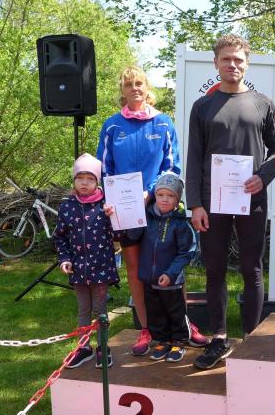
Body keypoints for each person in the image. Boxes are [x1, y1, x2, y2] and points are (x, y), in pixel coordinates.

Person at [186, 34, 275, 370]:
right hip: (211, 202)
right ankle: (218, 339)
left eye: (238, 59)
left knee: (251, 268)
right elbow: (194, 158)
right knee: (214, 270)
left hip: (251, 199)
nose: (232, 64)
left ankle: (251, 340)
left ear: (247, 63)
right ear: (216, 62)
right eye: (226, 59)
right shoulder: (202, 107)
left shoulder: (263, 104)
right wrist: (195, 204)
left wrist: (264, 176)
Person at [96, 66, 208, 356]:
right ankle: (147, 328)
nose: (134, 88)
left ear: (147, 88)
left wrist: (151, 192)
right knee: (136, 270)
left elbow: (172, 166)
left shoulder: (163, 123)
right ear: (122, 91)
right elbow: (104, 169)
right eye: (129, 84)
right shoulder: (112, 126)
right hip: (126, 210)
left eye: (139, 83)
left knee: (173, 269)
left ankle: (182, 326)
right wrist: (109, 199)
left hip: (160, 205)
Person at [116, 173, 198, 363]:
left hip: (171, 282)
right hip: (149, 279)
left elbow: (186, 252)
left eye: (170, 196)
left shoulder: (180, 223)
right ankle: (162, 341)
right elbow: (133, 236)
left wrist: (170, 274)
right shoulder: (147, 217)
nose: (165, 199)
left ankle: (179, 342)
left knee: (175, 313)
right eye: (160, 195)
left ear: (177, 199)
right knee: (155, 314)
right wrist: (130, 215)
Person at [52, 153, 119, 368]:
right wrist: (64, 259)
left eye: (90, 179)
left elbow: (118, 236)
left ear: (97, 182)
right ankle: (84, 348)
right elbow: (60, 237)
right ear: (73, 180)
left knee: (100, 310)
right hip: (78, 269)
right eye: (80, 178)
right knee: (83, 309)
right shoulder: (67, 206)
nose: (84, 183)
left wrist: (113, 217)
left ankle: (102, 348)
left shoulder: (106, 205)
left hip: (101, 268)